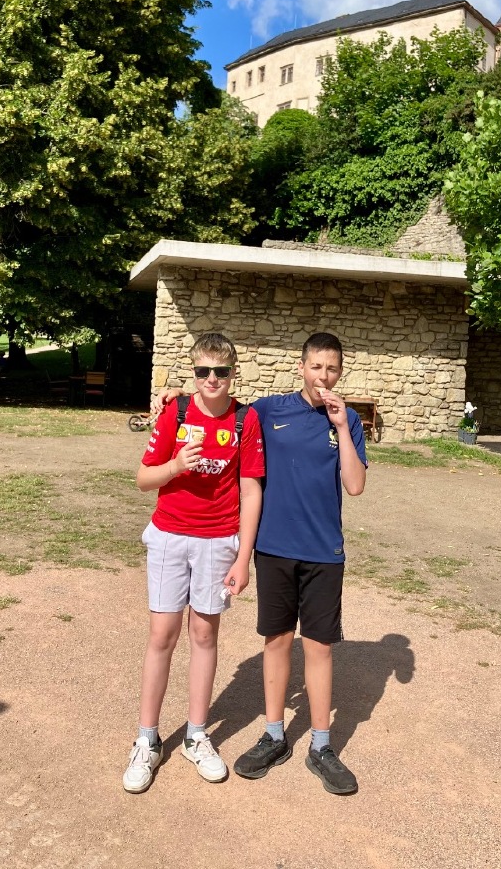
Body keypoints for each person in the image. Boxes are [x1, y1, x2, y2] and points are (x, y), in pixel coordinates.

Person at [158, 331, 367, 795]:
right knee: (277, 641)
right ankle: (274, 735)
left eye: (332, 368)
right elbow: (218, 402)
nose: (323, 376)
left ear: (340, 372)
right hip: (273, 548)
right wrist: (175, 396)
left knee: (319, 647)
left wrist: (339, 426)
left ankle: (321, 745)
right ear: (302, 367)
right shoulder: (268, 411)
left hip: (323, 551)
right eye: (316, 366)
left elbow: (355, 486)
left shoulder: (348, 419)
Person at [123, 333, 264, 794]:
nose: (211, 379)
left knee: (204, 635)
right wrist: (176, 465)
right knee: (161, 636)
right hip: (169, 536)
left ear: (233, 373)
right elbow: (143, 479)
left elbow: (251, 490)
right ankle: (147, 739)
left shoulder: (245, 420)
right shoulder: (176, 413)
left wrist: (243, 557)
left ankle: (196, 735)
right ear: (193, 372)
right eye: (203, 371)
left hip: (218, 541)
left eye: (220, 372)